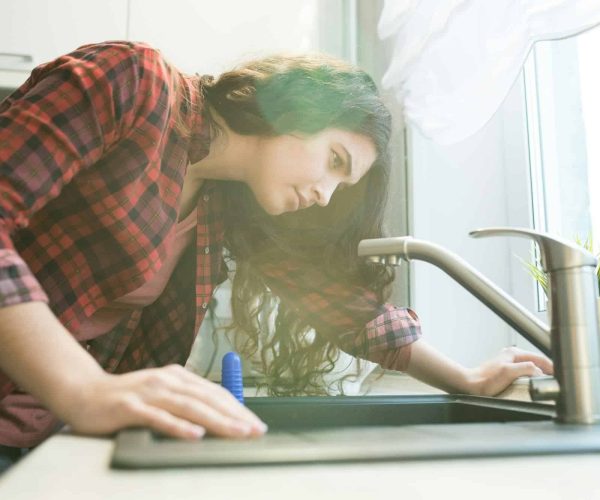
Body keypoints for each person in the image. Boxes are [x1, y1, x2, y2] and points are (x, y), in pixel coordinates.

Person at [0, 41, 553, 472]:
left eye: (345, 184)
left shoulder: (226, 205)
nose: (326, 194)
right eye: (335, 160)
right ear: (296, 107)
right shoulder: (134, 81)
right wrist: (85, 389)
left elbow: (343, 307)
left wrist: (464, 379)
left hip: (45, 437)